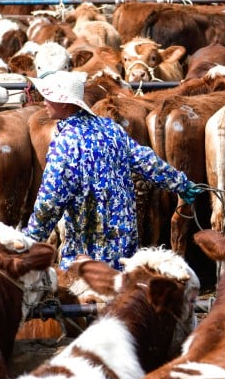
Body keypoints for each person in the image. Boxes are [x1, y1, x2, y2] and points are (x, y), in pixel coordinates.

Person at [23, 71, 201, 270]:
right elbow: (146, 160)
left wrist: (28, 242)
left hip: (88, 258)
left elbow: (50, 201)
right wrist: (180, 183)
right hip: (124, 251)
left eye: (49, 96)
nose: (44, 101)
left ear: (63, 102)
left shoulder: (65, 144)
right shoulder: (109, 128)